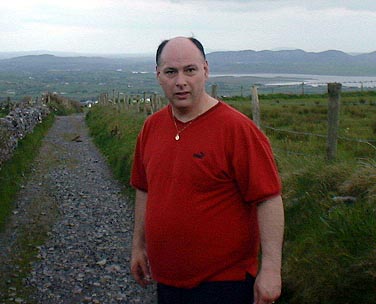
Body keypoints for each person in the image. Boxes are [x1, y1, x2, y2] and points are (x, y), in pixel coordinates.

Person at [130, 36, 284, 304]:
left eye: (190, 70)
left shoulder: (237, 130)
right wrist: (138, 247)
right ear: (158, 75)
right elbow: (144, 189)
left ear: (206, 70)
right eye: (170, 72)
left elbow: (268, 198)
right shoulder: (151, 127)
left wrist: (271, 270)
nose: (181, 81)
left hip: (225, 284)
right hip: (167, 280)